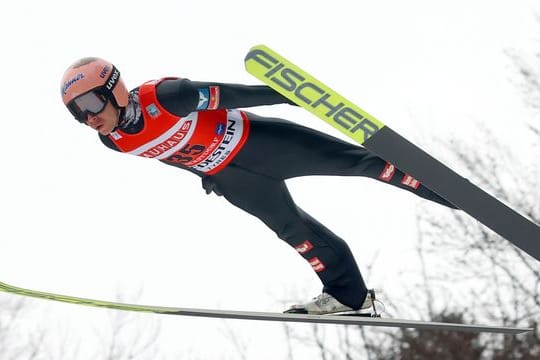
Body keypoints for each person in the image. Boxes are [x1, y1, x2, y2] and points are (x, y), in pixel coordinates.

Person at [60, 57, 457, 315]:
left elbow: (235, 94)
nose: (89, 118)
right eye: (78, 114)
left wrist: (293, 95)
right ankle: (348, 297)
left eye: (92, 105)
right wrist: (206, 175)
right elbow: (167, 152)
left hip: (261, 145)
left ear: (114, 89)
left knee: (363, 165)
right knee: (295, 233)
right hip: (234, 179)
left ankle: (453, 195)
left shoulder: (168, 97)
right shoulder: (114, 141)